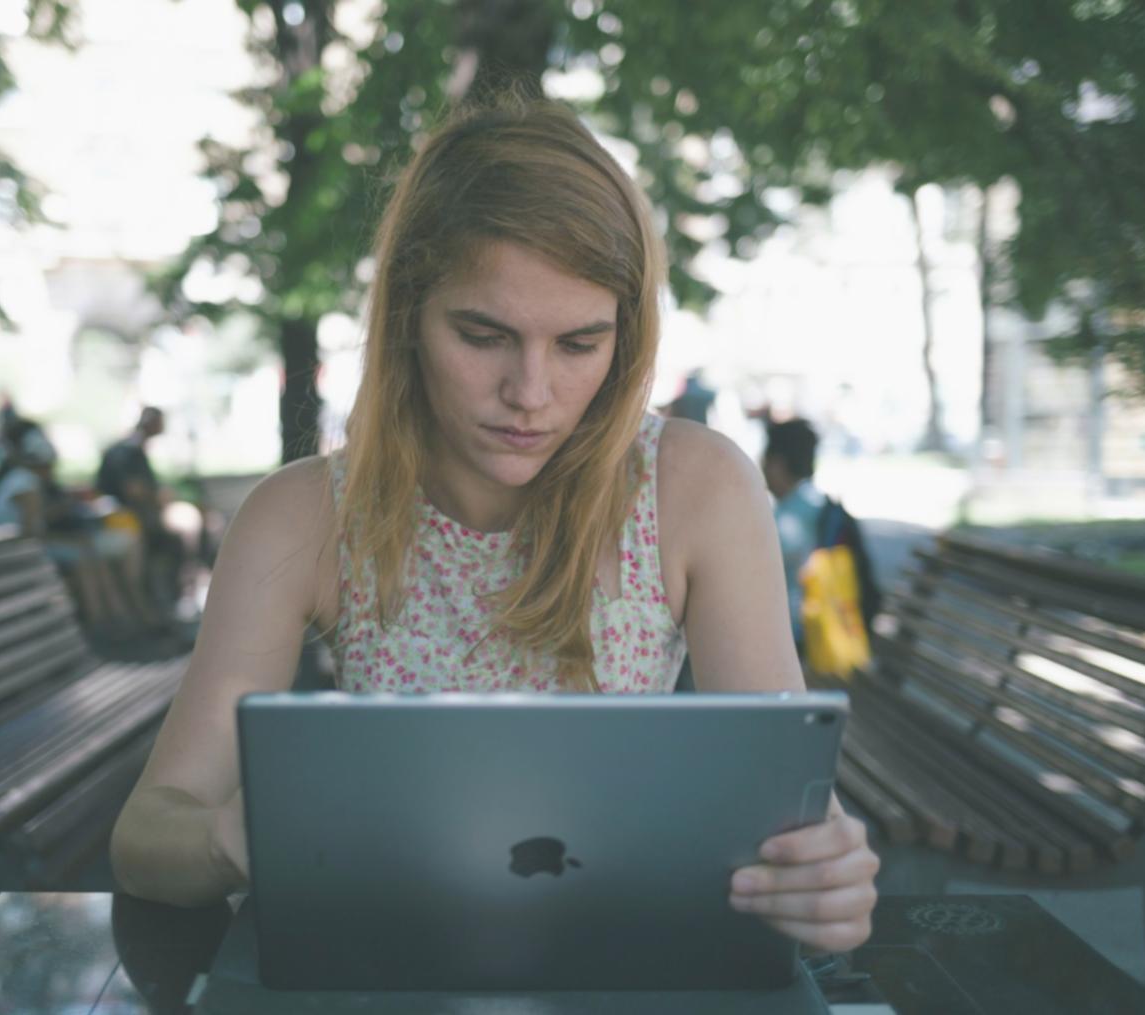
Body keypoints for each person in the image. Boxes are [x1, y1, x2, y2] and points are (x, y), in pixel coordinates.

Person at [110, 96, 878, 955]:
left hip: (629, 963)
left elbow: (793, 809)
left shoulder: (696, 489)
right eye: (483, 335)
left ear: (624, 341)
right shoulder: (304, 516)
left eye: (580, 344)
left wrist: (826, 881)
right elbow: (146, 836)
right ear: (407, 316)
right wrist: (229, 839)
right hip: (393, 966)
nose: (531, 392)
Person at [0, 419, 163, 635]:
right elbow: (32, 532)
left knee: (90, 556)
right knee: (86, 556)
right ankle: (107, 621)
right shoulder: (27, 485)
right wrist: (68, 536)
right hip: (19, 553)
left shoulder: (17, 479)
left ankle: (116, 619)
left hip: (17, 549)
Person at [761, 418, 880, 646]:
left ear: (777, 463)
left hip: (800, 634)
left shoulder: (788, 517)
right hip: (830, 623)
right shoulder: (819, 503)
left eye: (765, 461)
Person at [97, 406, 190, 609]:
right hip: (124, 518)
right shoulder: (128, 451)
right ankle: (165, 602)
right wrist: (158, 496)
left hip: (134, 516)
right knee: (173, 543)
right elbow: (133, 490)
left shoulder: (132, 448)